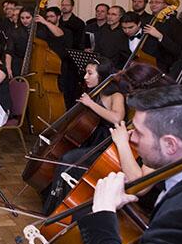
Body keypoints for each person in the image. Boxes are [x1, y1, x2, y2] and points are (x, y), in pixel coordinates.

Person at [78, 85, 182, 244]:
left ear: (170, 145)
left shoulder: (179, 215)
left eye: (138, 132)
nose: (132, 138)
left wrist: (104, 211)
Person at [43, 58, 125, 214]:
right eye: (85, 73)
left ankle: (58, 208)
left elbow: (117, 118)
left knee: (68, 159)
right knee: (62, 156)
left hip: (104, 144)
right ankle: (54, 200)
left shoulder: (116, 96)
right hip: (90, 139)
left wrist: (90, 104)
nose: (85, 77)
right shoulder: (94, 92)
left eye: (90, 73)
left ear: (102, 75)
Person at [143, 0, 182, 73]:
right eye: (151, 2)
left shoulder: (175, 24)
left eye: (157, 2)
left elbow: (178, 50)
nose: (153, 4)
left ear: (166, 5)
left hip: (164, 68)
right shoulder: (148, 20)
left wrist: (160, 37)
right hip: (147, 65)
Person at [94, 5, 130, 70]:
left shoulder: (124, 32)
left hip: (117, 69)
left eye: (113, 14)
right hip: (102, 67)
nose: (110, 17)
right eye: (108, 14)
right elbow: (98, 49)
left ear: (120, 17)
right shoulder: (103, 29)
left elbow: (125, 55)